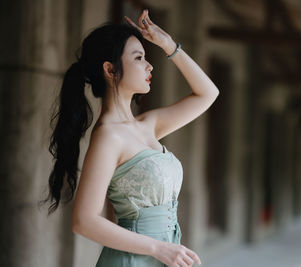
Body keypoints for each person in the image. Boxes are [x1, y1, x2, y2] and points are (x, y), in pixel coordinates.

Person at [40, 9, 219, 267]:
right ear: (111, 70)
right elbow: (84, 221)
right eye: (139, 58)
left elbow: (208, 94)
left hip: (163, 257)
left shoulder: (148, 125)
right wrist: (159, 248)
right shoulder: (108, 137)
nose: (150, 65)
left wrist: (168, 44)